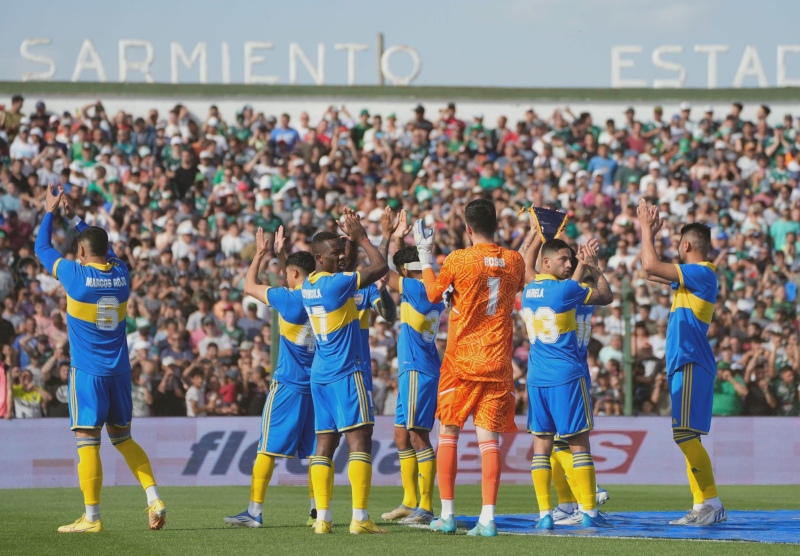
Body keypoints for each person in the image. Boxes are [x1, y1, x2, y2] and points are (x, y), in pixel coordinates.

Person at [34, 185, 166, 533]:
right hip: (120, 373)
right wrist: (75, 218)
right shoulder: (122, 274)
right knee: (123, 439)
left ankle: (91, 518)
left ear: (80, 252)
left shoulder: (75, 277)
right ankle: (154, 497)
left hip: (89, 373)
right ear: (107, 251)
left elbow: (41, 247)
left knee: (87, 442)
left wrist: (50, 211)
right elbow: (104, 247)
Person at [413, 198, 525, 537]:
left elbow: (433, 292)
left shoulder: (459, 259)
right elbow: (509, 289)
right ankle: (487, 519)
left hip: (462, 360)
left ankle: (447, 515)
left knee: (448, 433)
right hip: (498, 361)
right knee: (488, 441)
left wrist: (424, 254)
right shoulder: (515, 260)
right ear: (496, 226)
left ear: (468, 228)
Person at [638, 198, 726, 526]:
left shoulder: (700, 274)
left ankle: (712, 503)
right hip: (685, 361)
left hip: (690, 360)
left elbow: (649, 267)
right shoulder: (693, 276)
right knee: (688, 435)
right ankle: (702, 505)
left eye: (677, 244)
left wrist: (646, 228)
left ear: (686, 245)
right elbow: (647, 270)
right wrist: (653, 237)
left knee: (684, 435)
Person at [224, 226, 318, 528]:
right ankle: (319, 512)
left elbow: (249, 286)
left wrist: (262, 255)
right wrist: (281, 256)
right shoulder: (324, 297)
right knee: (317, 452)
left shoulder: (286, 300)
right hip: (317, 384)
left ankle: (254, 511)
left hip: (288, 383)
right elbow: (294, 281)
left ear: (292, 273)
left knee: (266, 448)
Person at [301, 211, 388, 534]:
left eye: (341, 253)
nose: (340, 258)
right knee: (359, 439)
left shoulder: (310, 284)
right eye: (334, 254)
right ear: (319, 258)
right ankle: (360, 518)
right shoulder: (337, 284)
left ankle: (322, 518)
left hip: (320, 374)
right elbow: (379, 267)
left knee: (324, 444)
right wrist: (363, 237)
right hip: (345, 371)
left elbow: (347, 267)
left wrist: (346, 241)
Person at [522, 238, 613, 529]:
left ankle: (545, 514)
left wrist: (537, 234)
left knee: (542, 447)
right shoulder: (566, 291)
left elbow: (527, 263)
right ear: (547, 262)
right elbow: (603, 294)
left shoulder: (529, 289)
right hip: (567, 375)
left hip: (537, 377)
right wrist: (590, 265)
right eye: (564, 259)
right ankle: (588, 512)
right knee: (578, 445)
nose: (570, 263)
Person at [381, 210, 444, 525]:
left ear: (409, 270)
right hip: (413, 369)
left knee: (418, 436)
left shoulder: (418, 289)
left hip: (419, 370)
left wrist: (393, 235)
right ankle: (409, 501)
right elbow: (392, 267)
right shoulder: (425, 289)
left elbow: (382, 270)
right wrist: (398, 237)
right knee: (401, 436)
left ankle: (426, 506)